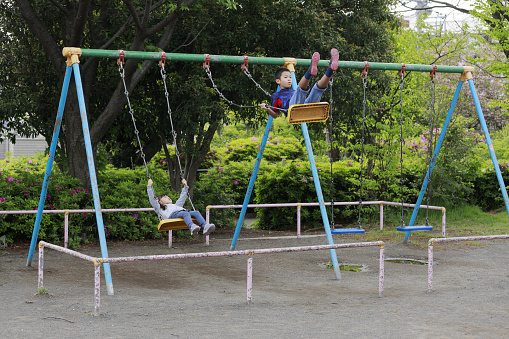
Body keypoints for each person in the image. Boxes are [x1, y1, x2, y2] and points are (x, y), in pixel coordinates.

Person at [260, 48, 339, 118]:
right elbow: (275, 115)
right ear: (278, 81)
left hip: (304, 108)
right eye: (286, 77)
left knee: (317, 90)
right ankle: (309, 72)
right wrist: (267, 108)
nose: (289, 79)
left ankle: (330, 70)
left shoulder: (292, 91)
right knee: (300, 91)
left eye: (290, 77)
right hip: (292, 110)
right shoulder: (276, 95)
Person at [147, 178, 215, 236]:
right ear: (159, 201)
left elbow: (182, 198)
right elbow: (152, 199)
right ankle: (192, 226)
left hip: (182, 213)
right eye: (165, 197)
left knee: (196, 212)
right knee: (185, 213)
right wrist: (149, 186)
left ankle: (205, 226)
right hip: (171, 216)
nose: (168, 198)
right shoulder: (159, 208)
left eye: (168, 197)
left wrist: (185, 186)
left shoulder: (176, 205)